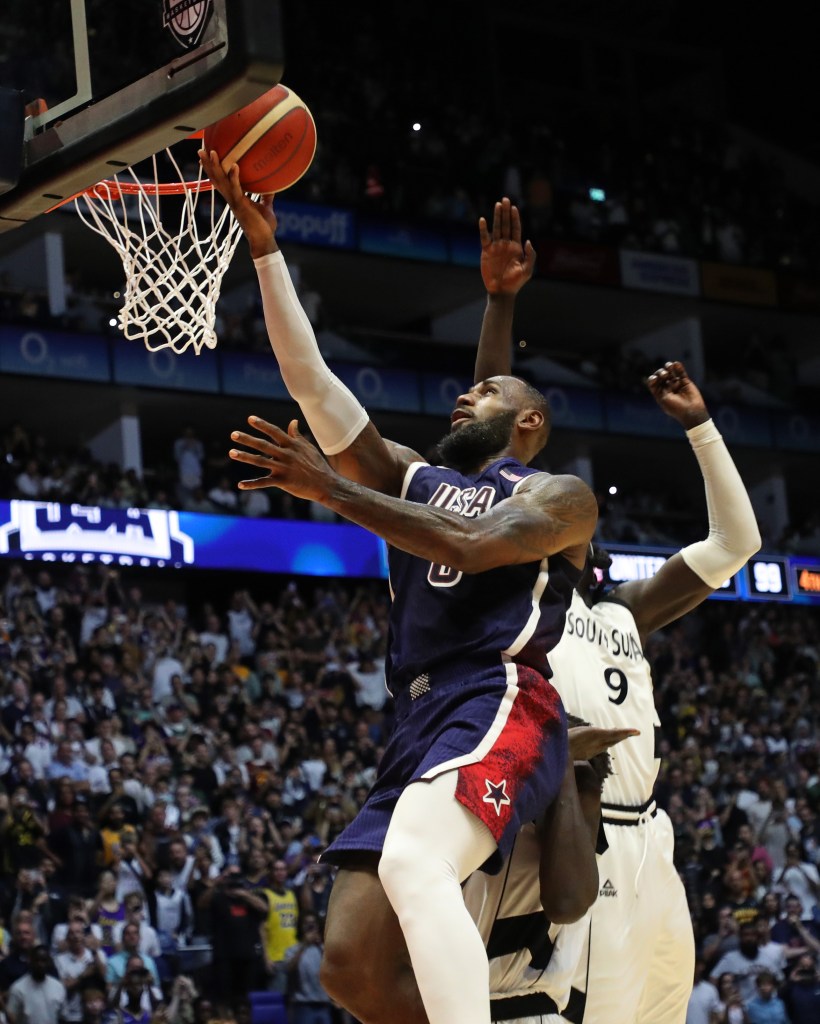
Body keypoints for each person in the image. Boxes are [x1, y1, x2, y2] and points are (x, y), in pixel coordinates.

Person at [206, 154, 598, 1024]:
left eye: (485, 390)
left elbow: (474, 538)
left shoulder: (559, 498)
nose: (465, 394)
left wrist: (336, 491)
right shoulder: (413, 477)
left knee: (417, 864)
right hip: (416, 719)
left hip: (499, 698)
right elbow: (313, 382)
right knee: (347, 963)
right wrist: (266, 250)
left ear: (530, 421)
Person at [4, 945, 66, 1024]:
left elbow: (62, 1017)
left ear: (49, 963)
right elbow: (11, 1018)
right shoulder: (18, 988)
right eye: (37, 960)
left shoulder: (58, 987)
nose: (40, 964)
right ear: (30, 962)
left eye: (44, 961)